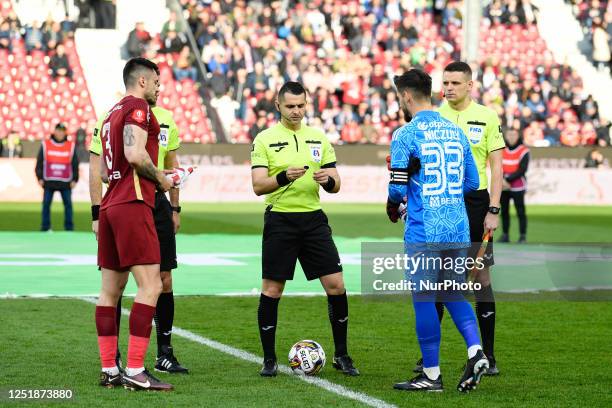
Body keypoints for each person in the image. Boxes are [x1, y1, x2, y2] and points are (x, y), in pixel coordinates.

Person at [387, 69, 487, 392]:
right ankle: (475, 350)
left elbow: (396, 192)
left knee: (424, 298)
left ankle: (431, 374)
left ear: (405, 96)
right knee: (453, 291)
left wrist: (395, 201)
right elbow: (473, 182)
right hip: (457, 227)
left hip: (425, 230)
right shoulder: (455, 132)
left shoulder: (405, 135)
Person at [250, 81, 359, 377]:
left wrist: (329, 181)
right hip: (280, 220)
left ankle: (342, 355)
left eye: (300, 105)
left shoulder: (318, 139)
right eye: (290, 106)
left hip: (313, 221)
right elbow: (258, 185)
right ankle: (269, 359)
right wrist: (284, 177)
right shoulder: (264, 139)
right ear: (278, 105)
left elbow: (336, 184)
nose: (296, 111)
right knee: (273, 290)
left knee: (336, 285)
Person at [93, 57, 174, 391]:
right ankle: (137, 371)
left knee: (109, 292)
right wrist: (161, 179)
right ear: (142, 81)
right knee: (151, 285)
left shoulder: (110, 113)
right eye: (156, 81)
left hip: (111, 202)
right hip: (133, 201)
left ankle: (110, 369)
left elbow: (101, 172)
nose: (158, 87)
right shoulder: (139, 107)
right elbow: (135, 154)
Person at [429, 61, 505, 375]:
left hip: (476, 204)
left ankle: (487, 357)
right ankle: (428, 356)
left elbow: (497, 167)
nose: (448, 89)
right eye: (445, 83)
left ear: (470, 85)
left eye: (455, 83)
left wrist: (494, 209)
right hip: (442, 202)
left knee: (481, 280)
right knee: (436, 280)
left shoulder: (487, 117)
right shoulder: (433, 117)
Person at [35, 123, 79, 231]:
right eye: (58, 130)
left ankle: (69, 228)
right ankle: (45, 227)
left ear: (65, 132)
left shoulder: (71, 146)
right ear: (54, 131)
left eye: (62, 130)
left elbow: (75, 164)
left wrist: (74, 179)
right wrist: (39, 177)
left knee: (68, 205)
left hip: (66, 181)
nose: (60, 133)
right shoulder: (46, 144)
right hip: (49, 181)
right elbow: (39, 163)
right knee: (46, 204)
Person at [500, 128, 529, 243]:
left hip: (517, 185)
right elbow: (497, 166)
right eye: (509, 135)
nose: (511, 137)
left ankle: (522, 236)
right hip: (503, 185)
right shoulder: (501, 149)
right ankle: (505, 235)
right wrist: (502, 180)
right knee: (504, 211)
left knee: (520, 211)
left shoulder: (524, 150)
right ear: (506, 136)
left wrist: (507, 179)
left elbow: (522, 169)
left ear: (518, 136)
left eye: (514, 135)